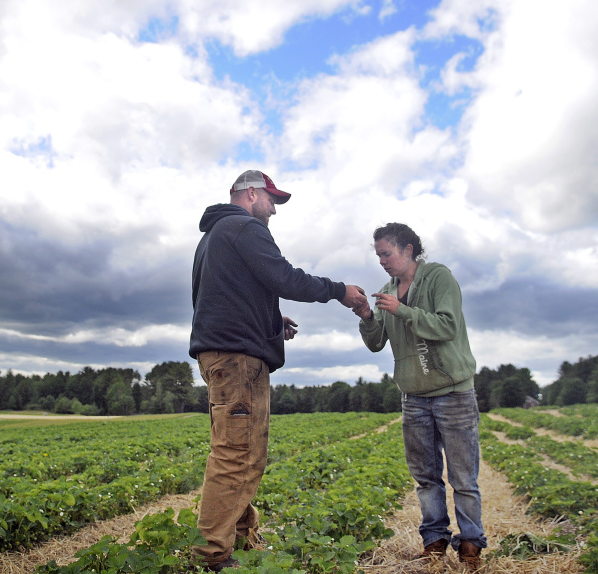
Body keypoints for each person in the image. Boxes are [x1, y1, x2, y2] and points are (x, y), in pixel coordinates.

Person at [189, 169, 368, 572]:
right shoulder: (244, 229)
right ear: (250, 194)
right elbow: (284, 277)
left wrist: (270, 319)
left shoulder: (212, 237)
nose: (274, 209)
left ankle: (240, 537)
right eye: (272, 200)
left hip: (222, 354)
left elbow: (221, 296)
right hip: (237, 359)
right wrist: (339, 291)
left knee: (244, 450)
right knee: (237, 454)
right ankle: (212, 555)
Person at [352, 223, 486, 571]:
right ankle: (434, 542)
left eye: (387, 253)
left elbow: (447, 326)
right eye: (378, 254)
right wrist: (368, 315)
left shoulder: (439, 278)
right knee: (426, 478)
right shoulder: (386, 291)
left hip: (453, 393)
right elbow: (375, 341)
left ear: (409, 250)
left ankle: (471, 545)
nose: (382, 261)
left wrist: (402, 310)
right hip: (414, 397)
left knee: (463, 478)